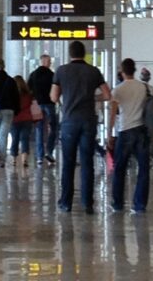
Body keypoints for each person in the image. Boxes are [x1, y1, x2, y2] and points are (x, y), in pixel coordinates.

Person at [51, 40, 111, 214]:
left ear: (70, 54)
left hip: (69, 120)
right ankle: (87, 203)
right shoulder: (93, 71)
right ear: (84, 54)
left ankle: (66, 202)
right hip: (88, 120)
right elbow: (107, 94)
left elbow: (54, 97)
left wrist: (66, 99)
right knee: (87, 162)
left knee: (68, 163)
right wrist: (94, 99)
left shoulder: (61, 71)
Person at [108, 58, 151, 214]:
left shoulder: (118, 90)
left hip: (125, 130)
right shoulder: (143, 87)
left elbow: (113, 114)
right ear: (134, 70)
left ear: (122, 71)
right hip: (141, 130)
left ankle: (118, 203)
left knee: (120, 168)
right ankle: (139, 205)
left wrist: (109, 134)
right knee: (143, 169)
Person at [29, 53, 57, 166]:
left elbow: (29, 89)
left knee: (39, 130)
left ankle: (40, 156)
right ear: (44, 61)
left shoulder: (33, 75)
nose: (50, 63)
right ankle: (49, 152)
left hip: (37, 104)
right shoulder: (52, 75)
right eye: (49, 61)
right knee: (53, 128)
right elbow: (56, 88)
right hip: (49, 104)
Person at [9, 75, 33, 169]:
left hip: (15, 119)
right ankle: (24, 160)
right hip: (27, 119)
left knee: (15, 139)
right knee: (25, 139)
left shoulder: (12, 95)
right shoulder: (28, 94)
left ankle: (14, 159)